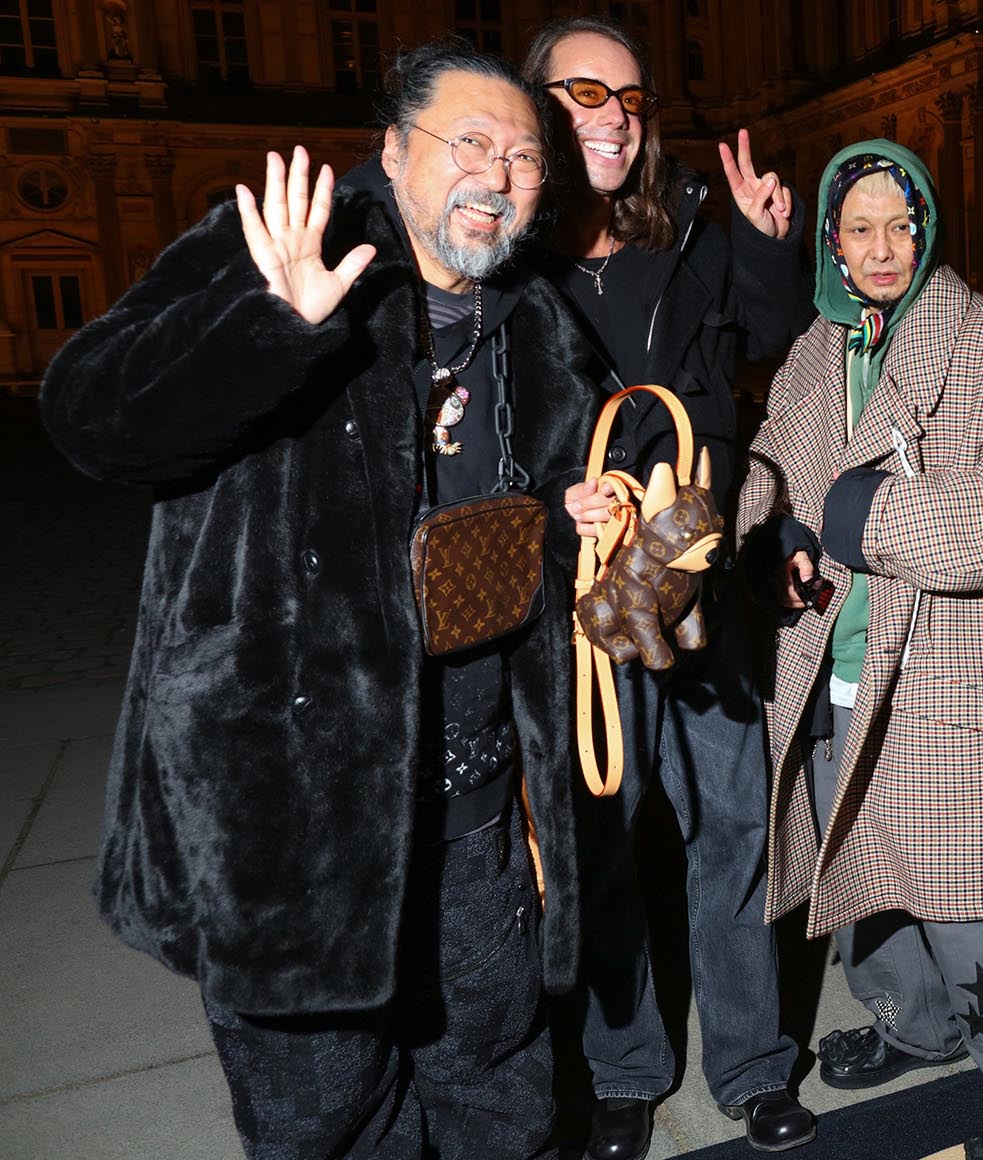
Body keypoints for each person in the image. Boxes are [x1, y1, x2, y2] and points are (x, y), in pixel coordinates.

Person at [39, 40, 597, 1156]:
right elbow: (88, 413)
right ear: (393, 148)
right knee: (326, 1120)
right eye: (469, 143)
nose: (497, 175)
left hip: (478, 802)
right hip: (294, 818)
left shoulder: (534, 319)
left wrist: (575, 518)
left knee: (500, 1085)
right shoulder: (281, 244)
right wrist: (271, 332)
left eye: (526, 158)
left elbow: (531, 519)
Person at [737, 139, 983, 1160]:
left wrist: (877, 517)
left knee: (976, 895)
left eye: (901, 225)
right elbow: (773, 458)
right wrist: (774, 530)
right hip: (834, 660)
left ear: (927, 227)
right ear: (831, 242)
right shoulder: (818, 350)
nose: (883, 247)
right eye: (860, 228)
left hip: (948, 670)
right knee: (863, 874)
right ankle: (919, 1023)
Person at [520, 16, 817, 1159]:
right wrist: (557, 497)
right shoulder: (510, 259)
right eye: (585, 91)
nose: (614, 115)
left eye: (632, 96)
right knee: (604, 835)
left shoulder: (686, 225)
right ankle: (625, 1068)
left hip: (697, 577)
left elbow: (772, 331)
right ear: (538, 104)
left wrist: (766, 244)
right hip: (590, 598)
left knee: (732, 825)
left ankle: (751, 1063)